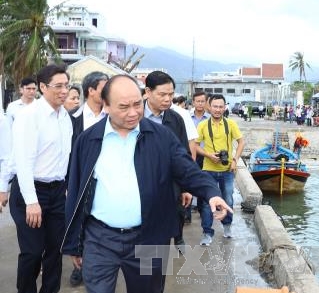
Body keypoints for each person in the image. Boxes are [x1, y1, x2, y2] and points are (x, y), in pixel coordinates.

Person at [62, 74, 231, 293]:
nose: (133, 113)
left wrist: (211, 192)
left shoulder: (161, 137)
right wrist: (74, 242)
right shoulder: (88, 140)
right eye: (123, 107)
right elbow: (75, 191)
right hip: (99, 239)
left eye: (136, 104)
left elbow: (187, 170)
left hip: (150, 236)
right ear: (106, 106)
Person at [0, 64, 73, 293]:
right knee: (32, 252)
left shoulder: (65, 117)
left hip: (57, 192)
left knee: (55, 250)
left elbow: (65, 158)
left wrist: (66, 188)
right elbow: (22, 160)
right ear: (43, 87)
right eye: (58, 86)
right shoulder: (29, 116)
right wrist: (32, 201)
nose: (64, 91)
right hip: (31, 191)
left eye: (67, 86)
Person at [142, 70, 195, 257]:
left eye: (171, 94)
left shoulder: (175, 119)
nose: (168, 99)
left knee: (163, 243)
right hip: (141, 189)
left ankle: (156, 279)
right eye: (162, 94)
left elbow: (184, 155)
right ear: (148, 92)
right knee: (146, 244)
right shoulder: (134, 116)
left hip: (169, 187)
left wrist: (186, 187)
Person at [67, 71, 109, 287]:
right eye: (104, 88)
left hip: (105, 180)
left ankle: (96, 263)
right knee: (79, 222)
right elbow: (66, 153)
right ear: (91, 90)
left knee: (97, 223)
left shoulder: (112, 117)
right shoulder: (72, 118)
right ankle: (79, 267)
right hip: (80, 180)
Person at [195, 94, 245, 246]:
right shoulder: (203, 125)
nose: (217, 110)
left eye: (220, 107)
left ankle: (227, 226)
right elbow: (196, 145)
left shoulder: (230, 124)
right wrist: (208, 155)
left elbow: (241, 142)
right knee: (205, 202)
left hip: (227, 169)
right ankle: (207, 233)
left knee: (228, 199)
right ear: (209, 107)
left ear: (225, 108)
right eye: (215, 106)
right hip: (208, 168)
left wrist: (235, 159)